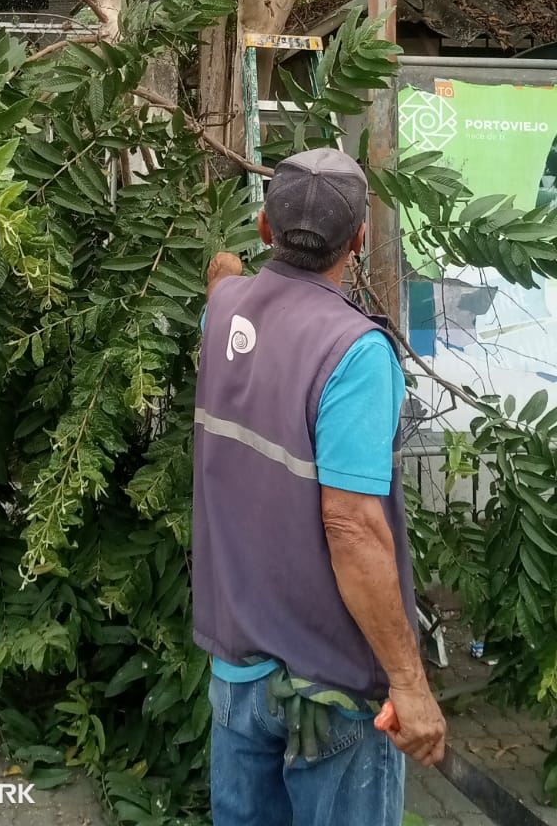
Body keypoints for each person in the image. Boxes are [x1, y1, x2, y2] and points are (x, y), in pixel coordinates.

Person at [193, 148, 446, 826]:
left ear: (265, 227)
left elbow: (221, 275)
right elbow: (353, 527)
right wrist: (409, 685)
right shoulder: (354, 353)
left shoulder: (225, 315)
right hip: (330, 691)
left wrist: (227, 265)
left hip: (237, 675)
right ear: (358, 239)